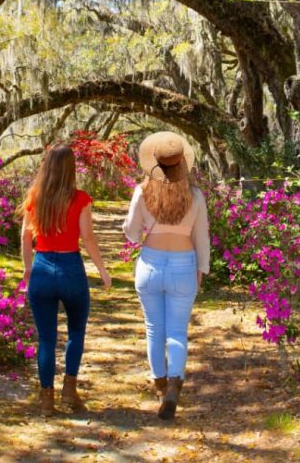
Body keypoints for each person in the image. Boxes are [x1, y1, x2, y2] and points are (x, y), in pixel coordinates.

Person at [122, 131, 210, 419]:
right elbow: (202, 237)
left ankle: (161, 387)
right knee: (177, 330)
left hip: (150, 264)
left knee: (153, 329)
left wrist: (138, 229)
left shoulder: (142, 191)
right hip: (184, 264)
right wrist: (202, 269)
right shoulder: (195, 195)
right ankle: (174, 384)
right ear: (182, 164)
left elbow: (132, 234)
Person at [20, 144, 112, 416]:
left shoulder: (35, 197)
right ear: (71, 168)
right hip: (71, 267)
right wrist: (102, 271)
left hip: (42, 266)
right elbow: (88, 238)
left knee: (46, 338)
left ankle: (46, 399)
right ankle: (69, 392)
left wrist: (28, 268)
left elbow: (26, 236)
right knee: (76, 332)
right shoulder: (80, 198)